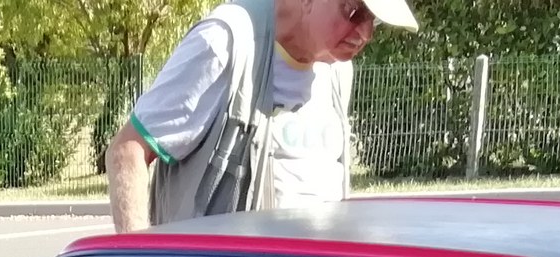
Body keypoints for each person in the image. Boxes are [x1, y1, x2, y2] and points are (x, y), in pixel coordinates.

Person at [104, 0, 415, 235]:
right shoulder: (225, 41)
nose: (366, 33)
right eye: (354, 11)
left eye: (374, 18)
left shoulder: (338, 69)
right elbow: (128, 149)